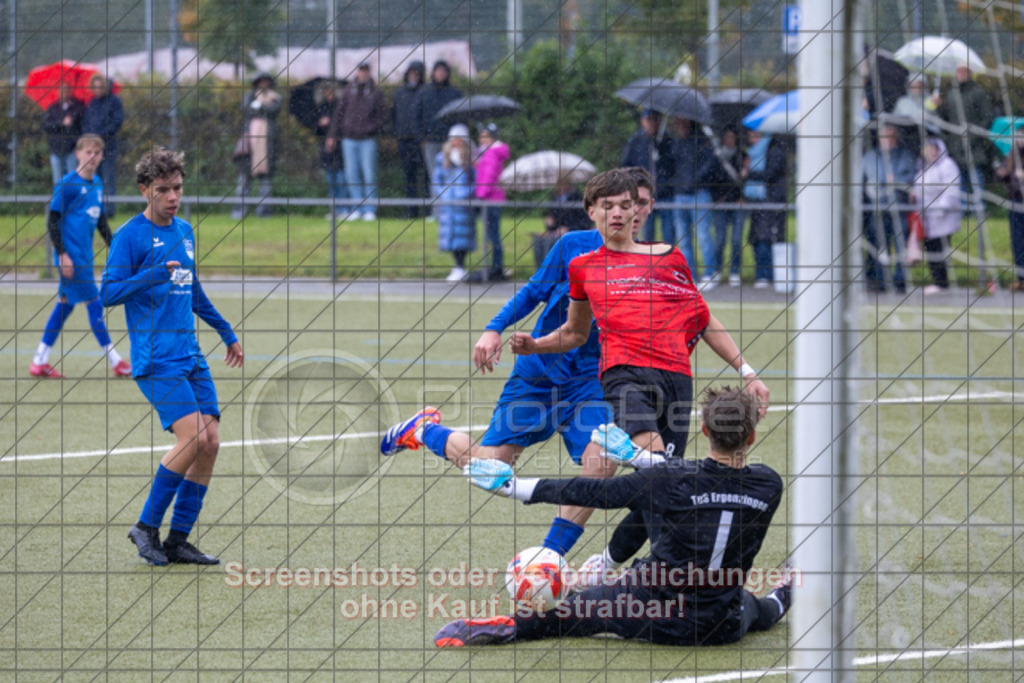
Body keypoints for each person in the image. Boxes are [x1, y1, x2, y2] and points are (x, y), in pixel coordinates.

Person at [508, 169, 770, 585]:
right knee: (661, 467)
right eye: (607, 206)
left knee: (663, 488)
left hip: (675, 380)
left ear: (638, 211)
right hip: (624, 376)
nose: (617, 214)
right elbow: (576, 333)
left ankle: (606, 566)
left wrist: (747, 371)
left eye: (625, 205)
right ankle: (623, 453)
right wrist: (535, 345)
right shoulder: (583, 266)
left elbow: (703, 320)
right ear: (591, 212)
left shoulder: (670, 257)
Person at [379, 168, 656, 560]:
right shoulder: (572, 247)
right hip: (539, 375)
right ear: (593, 210)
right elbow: (533, 293)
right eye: (612, 205)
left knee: (601, 463)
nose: (627, 213)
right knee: (491, 473)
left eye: (635, 204)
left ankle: (548, 559)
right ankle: (425, 431)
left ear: (646, 208)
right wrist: (494, 329)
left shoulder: (653, 264)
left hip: (588, 384)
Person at [436, 386, 792, 648]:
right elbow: (710, 481)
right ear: (752, 435)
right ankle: (785, 593)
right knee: (760, 610)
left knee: (571, 613)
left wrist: (514, 486)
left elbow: (591, 492)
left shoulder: (669, 481)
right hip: (721, 623)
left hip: (652, 612)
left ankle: (508, 626)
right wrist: (640, 457)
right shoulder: (769, 485)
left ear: (704, 431)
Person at [101, 148, 244, 565]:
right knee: (194, 437)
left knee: (211, 443)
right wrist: (152, 273)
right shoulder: (130, 236)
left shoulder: (184, 230)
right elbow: (107, 293)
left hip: (190, 356)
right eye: (163, 189)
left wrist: (226, 332)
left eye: (177, 188)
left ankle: (177, 540)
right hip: (155, 358)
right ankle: (145, 526)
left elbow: (192, 288)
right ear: (145, 190)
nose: (172, 197)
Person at [30, 134, 130, 379]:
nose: (93, 157)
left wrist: (116, 248)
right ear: (78, 154)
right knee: (95, 305)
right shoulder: (68, 184)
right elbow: (52, 221)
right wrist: (63, 254)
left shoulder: (96, 184)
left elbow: (101, 223)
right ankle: (117, 362)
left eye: (97, 152)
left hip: (84, 258)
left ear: (102, 156)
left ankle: (39, 360)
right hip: (71, 260)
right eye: (88, 152)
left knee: (64, 307)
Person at [326, 62, 386, 222]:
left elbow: (382, 117)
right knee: (351, 175)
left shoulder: (376, 92)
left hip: (368, 139)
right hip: (348, 139)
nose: (363, 73)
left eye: (366, 70)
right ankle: (357, 207)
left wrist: (369, 128)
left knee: (369, 174)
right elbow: (339, 114)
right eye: (361, 70)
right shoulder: (348, 91)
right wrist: (332, 135)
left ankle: (370, 209)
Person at [863, 123, 917, 293]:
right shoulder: (869, 156)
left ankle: (900, 283)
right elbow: (863, 180)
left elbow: (910, 177)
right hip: (877, 209)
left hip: (899, 208)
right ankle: (880, 282)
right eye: (883, 136)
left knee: (901, 246)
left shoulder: (905, 155)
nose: (886, 140)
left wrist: (896, 180)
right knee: (879, 246)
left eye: (889, 136)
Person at [934, 64, 995, 214]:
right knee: (958, 182)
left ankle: (979, 211)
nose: (961, 74)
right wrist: (939, 107)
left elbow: (987, 118)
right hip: (955, 147)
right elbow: (945, 122)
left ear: (970, 73)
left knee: (975, 180)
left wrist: (972, 136)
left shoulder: (978, 93)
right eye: (958, 71)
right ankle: (959, 212)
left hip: (974, 147)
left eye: (964, 71)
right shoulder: (951, 94)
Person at [668, 116, 718, 289]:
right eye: (677, 122)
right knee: (684, 239)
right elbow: (669, 167)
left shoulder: (702, 142)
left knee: (703, 235)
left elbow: (710, 164)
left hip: (699, 193)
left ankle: (710, 273)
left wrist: (695, 180)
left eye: (682, 122)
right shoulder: (674, 144)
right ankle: (690, 275)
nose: (679, 125)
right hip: (679, 195)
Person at [911, 137, 962, 294]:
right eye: (927, 149)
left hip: (943, 217)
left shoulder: (947, 166)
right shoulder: (924, 167)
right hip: (926, 218)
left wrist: (940, 210)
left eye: (933, 148)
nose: (930, 152)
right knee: (931, 248)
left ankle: (942, 282)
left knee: (940, 248)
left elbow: (952, 192)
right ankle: (938, 281)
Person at [741, 130, 789, 289]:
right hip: (757, 201)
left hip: (770, 201)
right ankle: (762, 274)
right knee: (757, 238)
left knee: (766, 238)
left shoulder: (774, 150)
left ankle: (766, 275)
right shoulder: (753, 154)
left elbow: (770, 174)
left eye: (753, 134)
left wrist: (749, 174)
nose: (750, 137)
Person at [415, 60, 463, 214]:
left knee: (453, 175)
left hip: (451, 142)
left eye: (443, 71)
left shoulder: (455, 93)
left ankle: (452, 209)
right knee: (435, 176)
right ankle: (437, 211)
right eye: (438, 71)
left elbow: (461, 117)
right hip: (431, 142)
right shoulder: (424, 92)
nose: (440, 74)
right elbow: (416, 116)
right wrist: (422, 137)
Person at [620, 108, 674, 244]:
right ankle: (646, 261)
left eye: (655, 120)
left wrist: (660, 157)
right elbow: (626, 164)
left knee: (668, 233)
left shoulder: (666, 140)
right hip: (643, 195)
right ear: (642, 121)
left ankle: (667, 261)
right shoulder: (636, 141)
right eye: (648, 120)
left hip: (664, 194)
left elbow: (674, 165)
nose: (652, 124)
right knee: (647, 233)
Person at [233, 73, 282, 219]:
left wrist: (260, 107)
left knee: (265, 183)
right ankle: (238, 212)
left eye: (266, 81)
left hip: (267, 146)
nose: (264, 84)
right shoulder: (249, 96)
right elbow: (247, 109)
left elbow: (273, 111)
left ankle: (264, 213)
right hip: (249, 147)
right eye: (261, 81)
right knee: (243, 182)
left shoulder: (276, 98)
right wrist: (262, 106)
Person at [434, 125, 476, 281]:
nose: (456, 142)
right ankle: (457, 265)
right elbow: (437, 179)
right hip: (448, 204)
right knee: (450, 235)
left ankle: (461, 265)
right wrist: (443, 193)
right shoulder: (442, 157)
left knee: (463, 235)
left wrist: (466, 194)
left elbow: (476, 180)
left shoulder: (470, 158)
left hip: (463, 204)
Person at [706, 126, 747, 287]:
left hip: (738, 202)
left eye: (732, 137)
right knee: (720, 239)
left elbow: (746, 181)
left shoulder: (742, 156)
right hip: (721, 203)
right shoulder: (717, 157)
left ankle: (735, 271)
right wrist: (718, 198)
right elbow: (712, 179)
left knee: (736, 239)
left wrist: (742, 195)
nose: (730, 140)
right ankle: (717, 270)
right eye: (727, 137)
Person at [469, 122, 511, 281]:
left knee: (492, 234)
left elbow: (488, 176)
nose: (482, 139)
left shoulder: (491, 153)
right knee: (492, 234)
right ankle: (495, 266)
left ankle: (496, 268)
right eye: (481, 136)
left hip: (490, 200)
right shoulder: (488, 153)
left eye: (485, 136)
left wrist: (480, 195)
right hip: (492, 198)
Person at [82, 74, 124, 218]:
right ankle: (95, 209)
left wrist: (100, 136)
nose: (98, 90)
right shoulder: (92, 102)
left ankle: (108, 211)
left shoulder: (114, 101)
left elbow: (117, 121)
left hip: (108, 148)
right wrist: (88, 138)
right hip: (92, 149)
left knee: (108, 179)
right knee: (94, 179)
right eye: (95, 87)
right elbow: (87, 122)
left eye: (100, 87)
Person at [392, 61, 428, 218]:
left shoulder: (426, 92)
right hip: (404, 140)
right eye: (411, 73)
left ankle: (428, 211)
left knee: (426, 177)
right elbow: (394, 115)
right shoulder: (399, 93)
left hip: (421, 141)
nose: (413, 76)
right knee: (409, 177)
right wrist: (397, 133)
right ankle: (411, 211)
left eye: (417, 73)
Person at [534, 177, 590, 267]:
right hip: (557, 232)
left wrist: (568, 229)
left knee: (553, 242)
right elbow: (554, 221)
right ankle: (542, 271)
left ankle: (554, 270)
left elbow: (585, 222)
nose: (561, 187)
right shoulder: (554, 198)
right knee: (539, 240)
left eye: (564, 183)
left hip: (573, 231)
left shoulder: (577, 198)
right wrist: (550, 223)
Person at [314, 81, 347, 220]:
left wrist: (333, 131)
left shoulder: (341, 107)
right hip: (326, 149)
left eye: (331, 91)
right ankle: (334, 210)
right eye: (326, 91)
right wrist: (320, 124)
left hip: (339, 148)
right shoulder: (320, 108)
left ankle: (344, 209)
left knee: (341, 180)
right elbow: (315, 130)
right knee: (331, 181)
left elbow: (344, 125)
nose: (328, 94)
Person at [995, 136, 1024, 290]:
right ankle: (1021, 278)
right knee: (1017, 240)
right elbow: (1000, 176)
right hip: (1015, 200)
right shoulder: (1011, 156)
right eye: (1018, 137)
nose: (1021, 140)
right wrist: (1003, 173)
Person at [43, 83, 86, 187]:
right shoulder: (53, 108)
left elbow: (82, 126)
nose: (64, 92)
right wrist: (61, 123)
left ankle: (73, 202)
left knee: (73, 180)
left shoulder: (79, 107)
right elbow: (47, 125)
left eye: (67, 89)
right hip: (56, 149)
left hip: (72, 149)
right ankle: (60, 202)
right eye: (62, 90)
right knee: (58, 181)